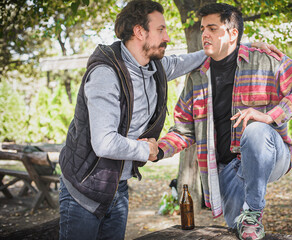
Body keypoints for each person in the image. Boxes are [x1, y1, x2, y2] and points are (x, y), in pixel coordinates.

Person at [58, 0, 277, 239]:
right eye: (161, 29)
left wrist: (242, 45)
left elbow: (202, 56)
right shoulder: (106, 75)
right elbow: (104, 142)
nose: (168, 37)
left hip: (116, 189)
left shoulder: (156, 67)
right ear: (140, 32)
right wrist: (147, 149)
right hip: (83, 189)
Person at [157, 3, 292, 240]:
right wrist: (157, 150)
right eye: (202, 28)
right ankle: (248, 219)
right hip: (226, 169)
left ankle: (253, 211)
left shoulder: (266, 61)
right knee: (241, 234)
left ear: (232, 33)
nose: (204, 34)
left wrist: (272, 115)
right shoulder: (197, 76)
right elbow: (184, 129)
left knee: (256, 129)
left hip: (271, 154)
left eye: (213, 28)